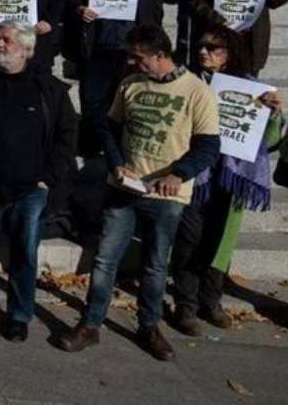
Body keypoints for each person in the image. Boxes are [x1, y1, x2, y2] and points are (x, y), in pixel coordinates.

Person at [58, 24, 219, 361]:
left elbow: (207, 147)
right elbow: (109, 129)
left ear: (160, 55)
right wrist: (117, 164)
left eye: (138, 57)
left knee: (156, 265)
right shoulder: (130, 85)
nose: (133, 63)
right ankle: (90, 324)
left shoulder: (196, 91)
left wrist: (179, 174)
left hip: (166, 196)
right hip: (124, 189)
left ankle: (149, 325)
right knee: (104, 259)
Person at [0, 22, 77, 339]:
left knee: (24, 252)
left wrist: (48, 178)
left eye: (6, 40)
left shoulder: (48, 87)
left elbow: (67, 137)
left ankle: (20, 315)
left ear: (26, 49)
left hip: (30, 189)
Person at [168, 26, 286, 335]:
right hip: (197, 175)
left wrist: (272, 114)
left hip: (231, 178)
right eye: (202, 47)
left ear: (229, 54)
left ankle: (212, 301)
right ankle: (186, 305)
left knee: (219, 243)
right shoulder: (187, 83)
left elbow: (270, 142)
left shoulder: (252, 89)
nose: (204, 52)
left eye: (214, 48)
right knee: (190, 238)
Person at [64, 0, 162, 156]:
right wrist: (78, 9)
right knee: (94, 100)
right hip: (96, 38)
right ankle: (92, 149)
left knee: (129, 99)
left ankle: (122, 148)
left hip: (130, 39)